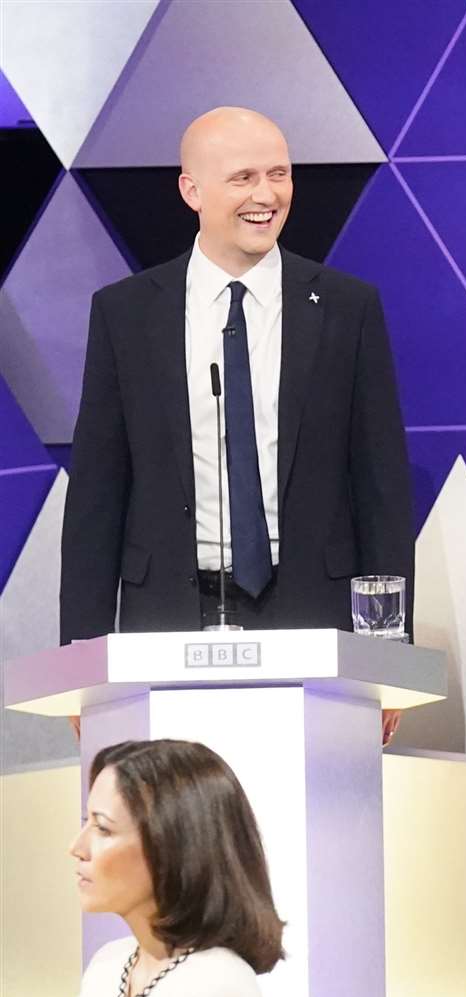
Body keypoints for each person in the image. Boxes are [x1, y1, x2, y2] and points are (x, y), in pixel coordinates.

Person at [60, 106, 413, 644]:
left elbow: (380, 485)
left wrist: (390, 650)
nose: (267, 196)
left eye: (278, 174)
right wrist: (78, 659)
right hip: (168, 616)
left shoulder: (347, 307)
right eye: (242, 178)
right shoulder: (126, 314)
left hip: (316, 616)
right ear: (192, 191)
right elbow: (97, 496)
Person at [66, 739, 282, 997]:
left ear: (170, 845)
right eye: (85, 822)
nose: (77, 847)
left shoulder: (218, 988)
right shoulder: (108, 966)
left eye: (103, 828)